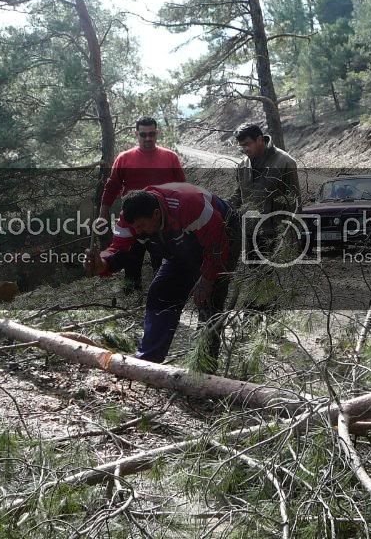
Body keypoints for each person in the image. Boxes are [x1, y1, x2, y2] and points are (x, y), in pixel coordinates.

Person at [86, 183, 240, 367]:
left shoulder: (189, 205)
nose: (138, 231)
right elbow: (120, 250)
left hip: (224, 233)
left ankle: (203, 368)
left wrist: (207, 279)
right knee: (161, 293)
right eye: (135, 227)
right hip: (180, 246)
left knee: (209, 301)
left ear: (156, 214)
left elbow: (217, 245)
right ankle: (148, 361)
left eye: (142, 226)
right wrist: (102, 263)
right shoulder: (129, 219)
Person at [99, 116, 186, 292]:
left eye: (151, 134)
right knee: (130, 264)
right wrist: (103, 213)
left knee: (162, 264)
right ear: (136, 134)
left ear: (157, 133)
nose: (148, 138)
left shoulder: (170, 158)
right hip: (132, 222)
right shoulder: (124, 158)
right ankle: (131, 298)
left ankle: (161, 298)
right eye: (143, 134)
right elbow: (112, 187)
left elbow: (181, 188)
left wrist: (180, 219)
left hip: (159, 221)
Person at [228, 123, 301, 263]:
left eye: (247, 144)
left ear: (260, 140)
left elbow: (295, 203)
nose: (244, 149)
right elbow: (239, 195)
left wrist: (291, 240)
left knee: (276, 274)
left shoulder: (285, 162)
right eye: (241, 146)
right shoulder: (242, 166)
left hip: (277, 235)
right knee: (254, 273)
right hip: (251, 234)